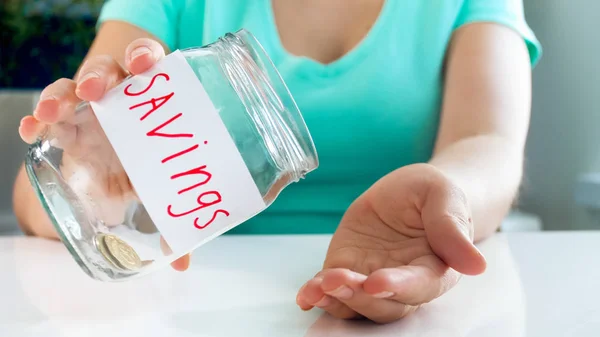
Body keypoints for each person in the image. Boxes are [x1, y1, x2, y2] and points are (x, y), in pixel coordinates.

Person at [13, 0, 541, 324]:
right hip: (196, 306)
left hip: (411, 298)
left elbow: (487, 142)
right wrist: (98, 177)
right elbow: (35, 195)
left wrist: (443, 199)